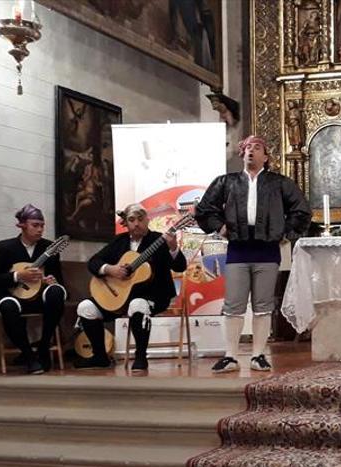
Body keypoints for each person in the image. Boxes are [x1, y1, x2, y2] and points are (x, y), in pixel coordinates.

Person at [195, 135, 311, 373]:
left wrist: (286, 233)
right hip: (238, 248)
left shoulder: (280, 183)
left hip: (267, 249)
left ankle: (258, 354)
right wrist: (220, 226)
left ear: (265, 157)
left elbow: (301, 209)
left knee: (263, 305)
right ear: (242, 154)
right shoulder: (226, 182)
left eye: (257, 148)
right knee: (234, 304)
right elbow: (205, 209)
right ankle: (230, 355)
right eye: (247, 147)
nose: (251, 151)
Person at [75, 204, 187, 371]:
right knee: (85, 308)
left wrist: (173, 247)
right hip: (119, 296)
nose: (136, 224)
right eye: (132, 220)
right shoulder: (119, 241)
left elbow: (180, 267)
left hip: (154, 295)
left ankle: (141, 357)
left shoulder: (159, 240)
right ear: (126, 223)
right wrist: (110, 269)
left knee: (138, 304)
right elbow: (93, 262)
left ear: (147, 220)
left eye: (140, 219)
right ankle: (100, 357)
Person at [0, 205, 66, 374]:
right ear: (22, 225)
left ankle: (43, 346)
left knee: (57, 292)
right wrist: (17, 276)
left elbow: (59, 280)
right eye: (35, 225)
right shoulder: (3, 248)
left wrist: (51, 281)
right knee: (7, 307)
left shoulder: (49, 248)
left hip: (40, 299)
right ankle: (29, 356)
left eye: (42, 225)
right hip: (13, 297)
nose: (40, 229)